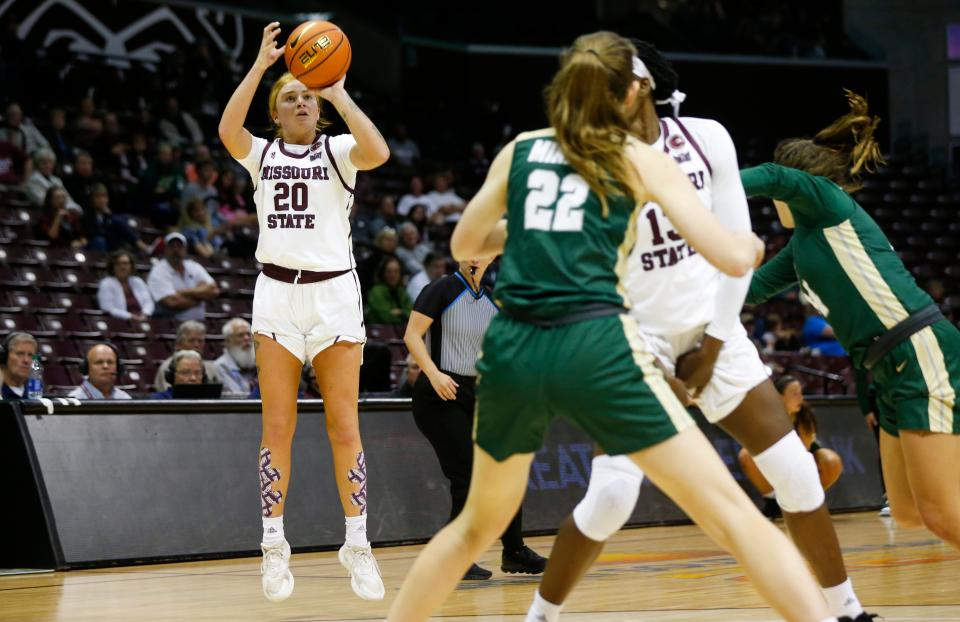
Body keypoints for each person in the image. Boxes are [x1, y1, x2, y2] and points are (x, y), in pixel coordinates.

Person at [387, 32, 832, 622]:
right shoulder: (639, 157)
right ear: (633, 94)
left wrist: (533, 228)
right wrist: (749, 247)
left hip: (514, 349)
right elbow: (727, 257)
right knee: (733, 515)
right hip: (594, 344)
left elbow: (465, 243)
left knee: (473, 527)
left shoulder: (521, 148)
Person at [525, 41, 871, 622]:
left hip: (712, 324)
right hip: (631, 340)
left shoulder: (706, 137)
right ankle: (540, 616)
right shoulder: (584, 164)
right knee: (612, 497)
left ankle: (848, 611)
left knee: (794, 470)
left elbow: (738, 248)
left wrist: (711, 348)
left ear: (643, 86)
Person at [743, 90, 960, 551]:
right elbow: (751, 289)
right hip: (886, 368)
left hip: (916, 347)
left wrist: (694, 182)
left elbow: (772, 176)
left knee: (942, 513)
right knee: (907, 512)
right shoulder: (803, 245)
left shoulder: (826, 202)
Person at [218, 21, 390, 603]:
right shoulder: (261, 153)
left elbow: (380, 151)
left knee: (345, 425)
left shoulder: (340, 150)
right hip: (277, 296)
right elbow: (226, 130)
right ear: (277, 110)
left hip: (334, 294)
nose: (299, 101)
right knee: (278, 428)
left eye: (307, 96)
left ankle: (357, 543)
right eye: (289, 97)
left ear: (320, 110)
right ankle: (273, 544)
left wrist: (336, 88)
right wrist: (262, 67)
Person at [404, 257, 546, 581]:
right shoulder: (442, 288)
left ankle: (514, 552)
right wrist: (434, 373)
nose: (475, 254)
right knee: (467, 478)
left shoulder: (494, 299)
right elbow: (412, 335)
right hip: (440, 392)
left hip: (479, 393)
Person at [740, 375, 844, 517]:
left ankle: (811, 501)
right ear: (779, 397)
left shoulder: (805, 415)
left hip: (800, 461)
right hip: (772, 460)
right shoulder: (765, 414)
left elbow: (801, 456)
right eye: (794, 393)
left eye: (801, 392)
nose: (800, 397)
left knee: (831, 460)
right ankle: (772, 502)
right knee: (746, 455)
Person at [147, 232, 219, 321]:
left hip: (199, 323)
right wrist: (200, 297)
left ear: (185, 249)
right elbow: (172, 302)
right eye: (172, 246)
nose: (176, 250)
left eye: (179, 246)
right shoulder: (158, 271)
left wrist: (183, 292)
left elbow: (214, 290)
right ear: (165, 250)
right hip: (172, 324)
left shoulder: (194, 266)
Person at [153, 320, 223, 392]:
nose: (196, 345)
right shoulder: (168, 367)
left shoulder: (211, 368)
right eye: (191, 341)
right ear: (179, 344)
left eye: (200, 341)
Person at [97, 250, 155, 320]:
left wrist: (145, 314)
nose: (122, 267)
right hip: (119, 322)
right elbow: (107, 308)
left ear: (131, 266)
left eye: (125, 263)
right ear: (112, 266)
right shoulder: (106, 283)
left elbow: (148, 302)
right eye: (118, 264)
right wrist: (130, 316)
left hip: (143, 319)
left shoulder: (138, 281)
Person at [68, 343, 132, 400]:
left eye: (110, 362)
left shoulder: (125, 398)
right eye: (99, 362)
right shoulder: (75, 400)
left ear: (118, 368)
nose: (105, 366)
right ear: (86, 368)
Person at [214, 317, 257, 398]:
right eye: (241, 335)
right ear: (228, 341)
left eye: (249, 334)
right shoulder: (221, 366)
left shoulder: (258, 362)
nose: (247, 338)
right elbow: (236, 398)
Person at [365, 257, 412, 325]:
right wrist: (403, 314)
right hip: (380, 332)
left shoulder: (401, 291)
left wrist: (401, 313)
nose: (393, 275)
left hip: (399, 332)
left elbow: (413, 314)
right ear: (383, 273)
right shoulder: (376, 291)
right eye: (389, 271)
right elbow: (386, 318)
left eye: (396, 271)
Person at [0, 332, 38, 400]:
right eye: (20, 354)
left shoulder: (36, 393)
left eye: (30, 355)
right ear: (4, 357)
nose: (26, 360)